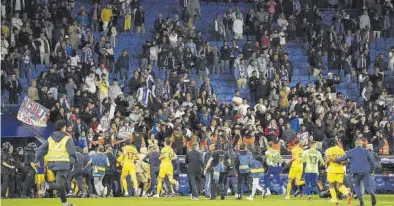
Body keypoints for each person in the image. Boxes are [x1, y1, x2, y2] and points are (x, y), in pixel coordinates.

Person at [34, 120, 77, 206]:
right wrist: (71, 163)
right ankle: (48, 185)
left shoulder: (50, 138)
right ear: (63, 127)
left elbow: (40, 150)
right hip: (63, 164)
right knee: (61, 186)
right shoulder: (67, 138)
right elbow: (73, 154)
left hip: (52, 165)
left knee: (60, 186)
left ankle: (65, 204)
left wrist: (36, 160)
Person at [335, 139, 376, 206]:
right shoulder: (366, 151)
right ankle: (372, 194)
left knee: (357, 187)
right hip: (365, 171)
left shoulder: (351, 151)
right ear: (361, 144)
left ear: (355, 144)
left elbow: (343, 158)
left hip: (355, 171)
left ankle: (361, 202)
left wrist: (335, 160)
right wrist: (371, 170)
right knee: (367, 186)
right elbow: (372, 162)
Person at [325, 138, 352, 205]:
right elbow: (345, 161)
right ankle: (347, 193)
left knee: (331, 186)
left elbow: (328, 160)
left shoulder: (328, 150)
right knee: (339, 186)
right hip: (340, 170)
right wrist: (340, 163)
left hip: (331, 170)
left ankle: (335, 201)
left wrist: (325, 164)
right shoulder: (341, 150)